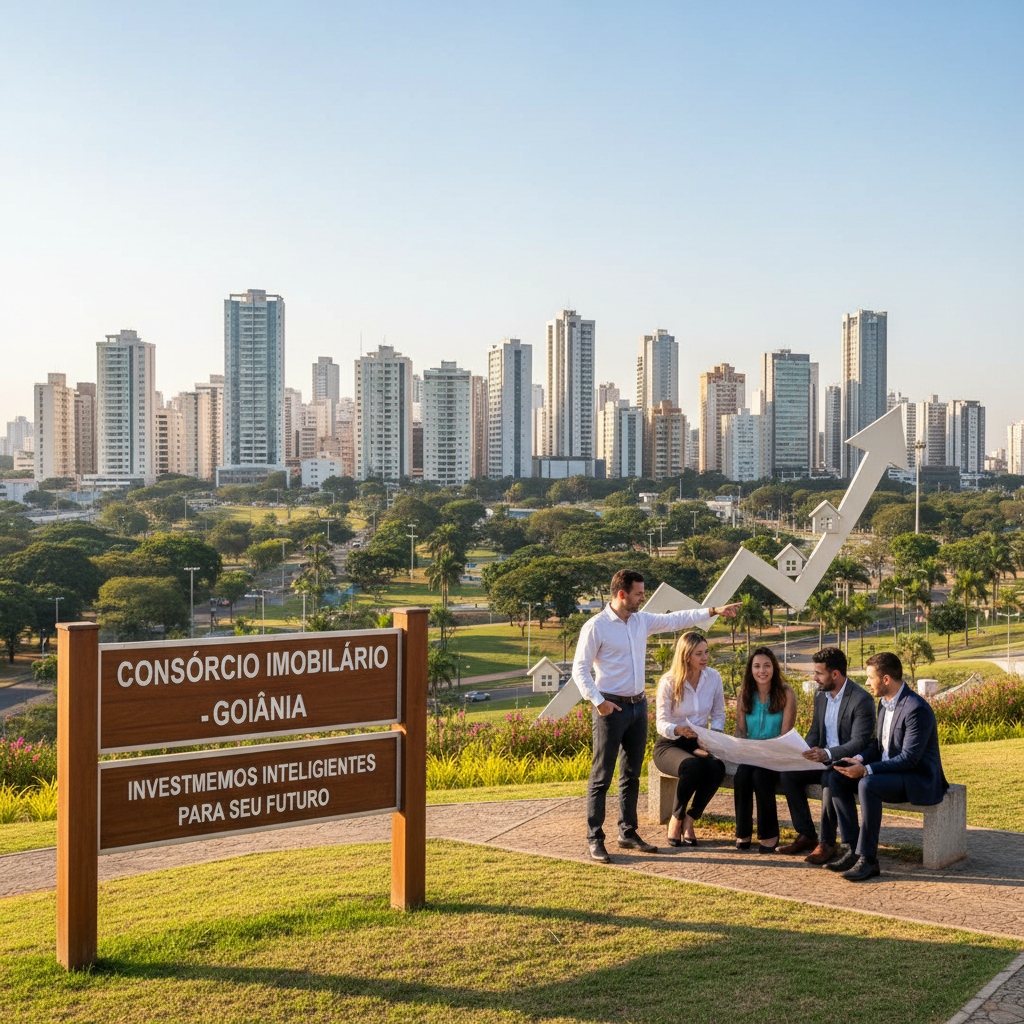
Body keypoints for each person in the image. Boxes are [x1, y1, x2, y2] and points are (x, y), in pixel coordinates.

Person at [572, 568, 740, 863]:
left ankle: (628, 832)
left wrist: (714, 610)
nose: (643, 598)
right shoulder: (596, 627)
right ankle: (595, 838)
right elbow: (579, 670)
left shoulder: (641, 621)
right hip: (611, 707)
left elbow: (677, 619)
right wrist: (599, 702)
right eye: (638, 593)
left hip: (638, 707)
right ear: (622, 594)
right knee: (601, 777)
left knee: (631, 775)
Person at [827, 651, 949, 882]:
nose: (866, 682)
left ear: (885, 679)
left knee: (868, 784)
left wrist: (866, 770)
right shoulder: (884, 703)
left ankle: (869, 860)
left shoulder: (916, 709)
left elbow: (909, 758)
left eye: (869, 677)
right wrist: (860, 760)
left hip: (916, 778)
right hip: (890, 772)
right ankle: (853, 850)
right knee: (837, 777)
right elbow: (878, 745)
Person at [776, 646, 875, 864]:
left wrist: (827, 754)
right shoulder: (821, 696)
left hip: (848, 762)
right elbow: (815, 732)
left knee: (829, 777)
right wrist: (799, 752)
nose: (815, 678)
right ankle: (807, 835)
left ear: (835, 674)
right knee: (788, 774)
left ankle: (827, 842)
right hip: (824, 759)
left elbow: (858, 742)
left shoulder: (861, 699)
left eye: (819, 673)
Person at [653, 631, 731, 847]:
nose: (705, 657)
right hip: (670, 743)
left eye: (706, 652)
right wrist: (679, 730)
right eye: (699, 654)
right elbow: (661, 724)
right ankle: (676, 819)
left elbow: (718, 714)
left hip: (700, 741)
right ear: (687, 656)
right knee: (693, 766)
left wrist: (713, 737)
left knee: (717, 768)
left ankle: (690, 819)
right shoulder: (668, 682)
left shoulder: (713, 677)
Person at [732, 647, 797, 853]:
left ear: (774, 668)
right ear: (751, 670)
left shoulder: (786, 693)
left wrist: (764, 751)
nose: (762, 671)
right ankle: (743, 831)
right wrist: (733, 747)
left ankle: (769, 834)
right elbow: (741, 731)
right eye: (757, 666)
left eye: (767, 666)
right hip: (751, 754)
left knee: (761, 776)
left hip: (776, 754)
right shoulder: (745, 693)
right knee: (741, 775)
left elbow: (786, 734)